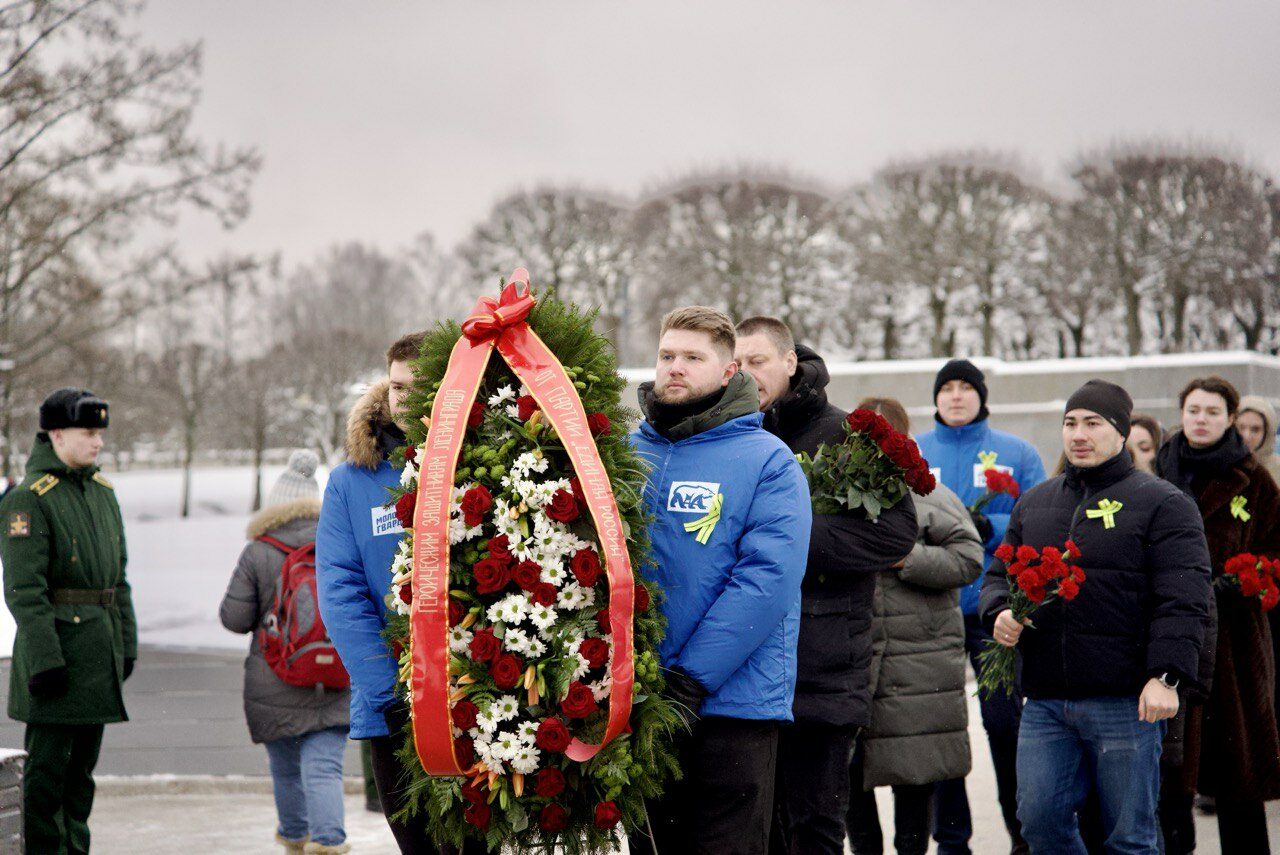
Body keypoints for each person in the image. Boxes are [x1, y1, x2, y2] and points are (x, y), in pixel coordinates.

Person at [981, 379, 1211, 854]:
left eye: (1093, 423)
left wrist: (1165, 677)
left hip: (1125, 702)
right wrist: (999, 612)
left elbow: (1185, 598)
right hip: (1046, 701)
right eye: (1070, 423)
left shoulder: (1163, 503)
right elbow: (997, 576)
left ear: (1122, 433)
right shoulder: (1036, 502)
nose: (1078, 434)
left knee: (1129, 838)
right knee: (1040, 825)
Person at [628, 307, 811, 855]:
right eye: (666, 356)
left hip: (732, 706)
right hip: (641, 704)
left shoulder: (768, 461)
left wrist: (690, 679)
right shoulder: (625, 456)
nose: (674, 368)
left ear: (730, 371)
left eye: (692, 357)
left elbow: (767, 579)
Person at [734, 318, 917, 855]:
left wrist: (784, 539)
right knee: (754, 830)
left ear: (791, 362)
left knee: (815, 829)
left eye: (758, 361)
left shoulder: (844, 435)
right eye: (736, 365)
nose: (747, 374)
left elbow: (896, 533)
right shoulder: (723, 435)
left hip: (824, 671)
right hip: (742, 671)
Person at [316, 332, 480, 855]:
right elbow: (340, 593)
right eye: (398, 387)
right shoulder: (351, 481)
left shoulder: (487, 466)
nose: (407, 399)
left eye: (424, 386)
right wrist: (392, 694)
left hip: (481, 701)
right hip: (393, 707)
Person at [915, 359, 1046, 854]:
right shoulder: (916, 452)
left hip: (996, 616)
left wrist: (992, 524)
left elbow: (1040, 518)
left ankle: (1023, 833)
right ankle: (952, 839)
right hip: (932, 614)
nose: (954, 396)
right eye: (945, 388)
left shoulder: (1015, 452)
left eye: (965, 388)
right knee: (943, 729)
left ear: (982, 396)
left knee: (1004, 723)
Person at [0, 388, 137, 854]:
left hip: (98, 654)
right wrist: (45, 660)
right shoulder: (29, 500)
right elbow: (25, 591)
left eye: (100, 433)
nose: (98, 442)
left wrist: (128, 642)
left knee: (80, 782)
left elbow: (117, 580)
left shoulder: (101, 494)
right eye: (89, 433)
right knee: (46, 782)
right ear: (57, 435)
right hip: (57, 660)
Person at [844, 397, 983, 855]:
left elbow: (968, 558)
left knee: (914, 793)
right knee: (852, 794)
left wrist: (910, 558)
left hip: (916, 671)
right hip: (856, 664)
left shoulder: (930, 495)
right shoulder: (834, 494)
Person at [1156, 376, 1280, 853]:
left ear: (1230, 418)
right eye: (1193, 410)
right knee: (1171, 778)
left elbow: (1276, 552)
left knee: (1237, 776)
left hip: (1234, 646)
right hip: (1170, 635)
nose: (1200, 420)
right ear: (1181, 414)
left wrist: (1246, 577)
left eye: (1212, 412)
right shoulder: (1157, 474)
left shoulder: (1255, 480)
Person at [221, 450, 351, 854]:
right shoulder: (337, 542)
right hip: (334, 677)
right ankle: (329, 843)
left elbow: (234, 618)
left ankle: (295, 839)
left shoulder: (259, 551)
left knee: (286, 770)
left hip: (274, 679)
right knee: (325, 769)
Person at [1238, 395, 1280, 482]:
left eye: (1255, 430)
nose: (1246, 436)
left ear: (1267, 433)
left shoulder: (1277, 469)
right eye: (1240, 428)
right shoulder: (1218, 465)